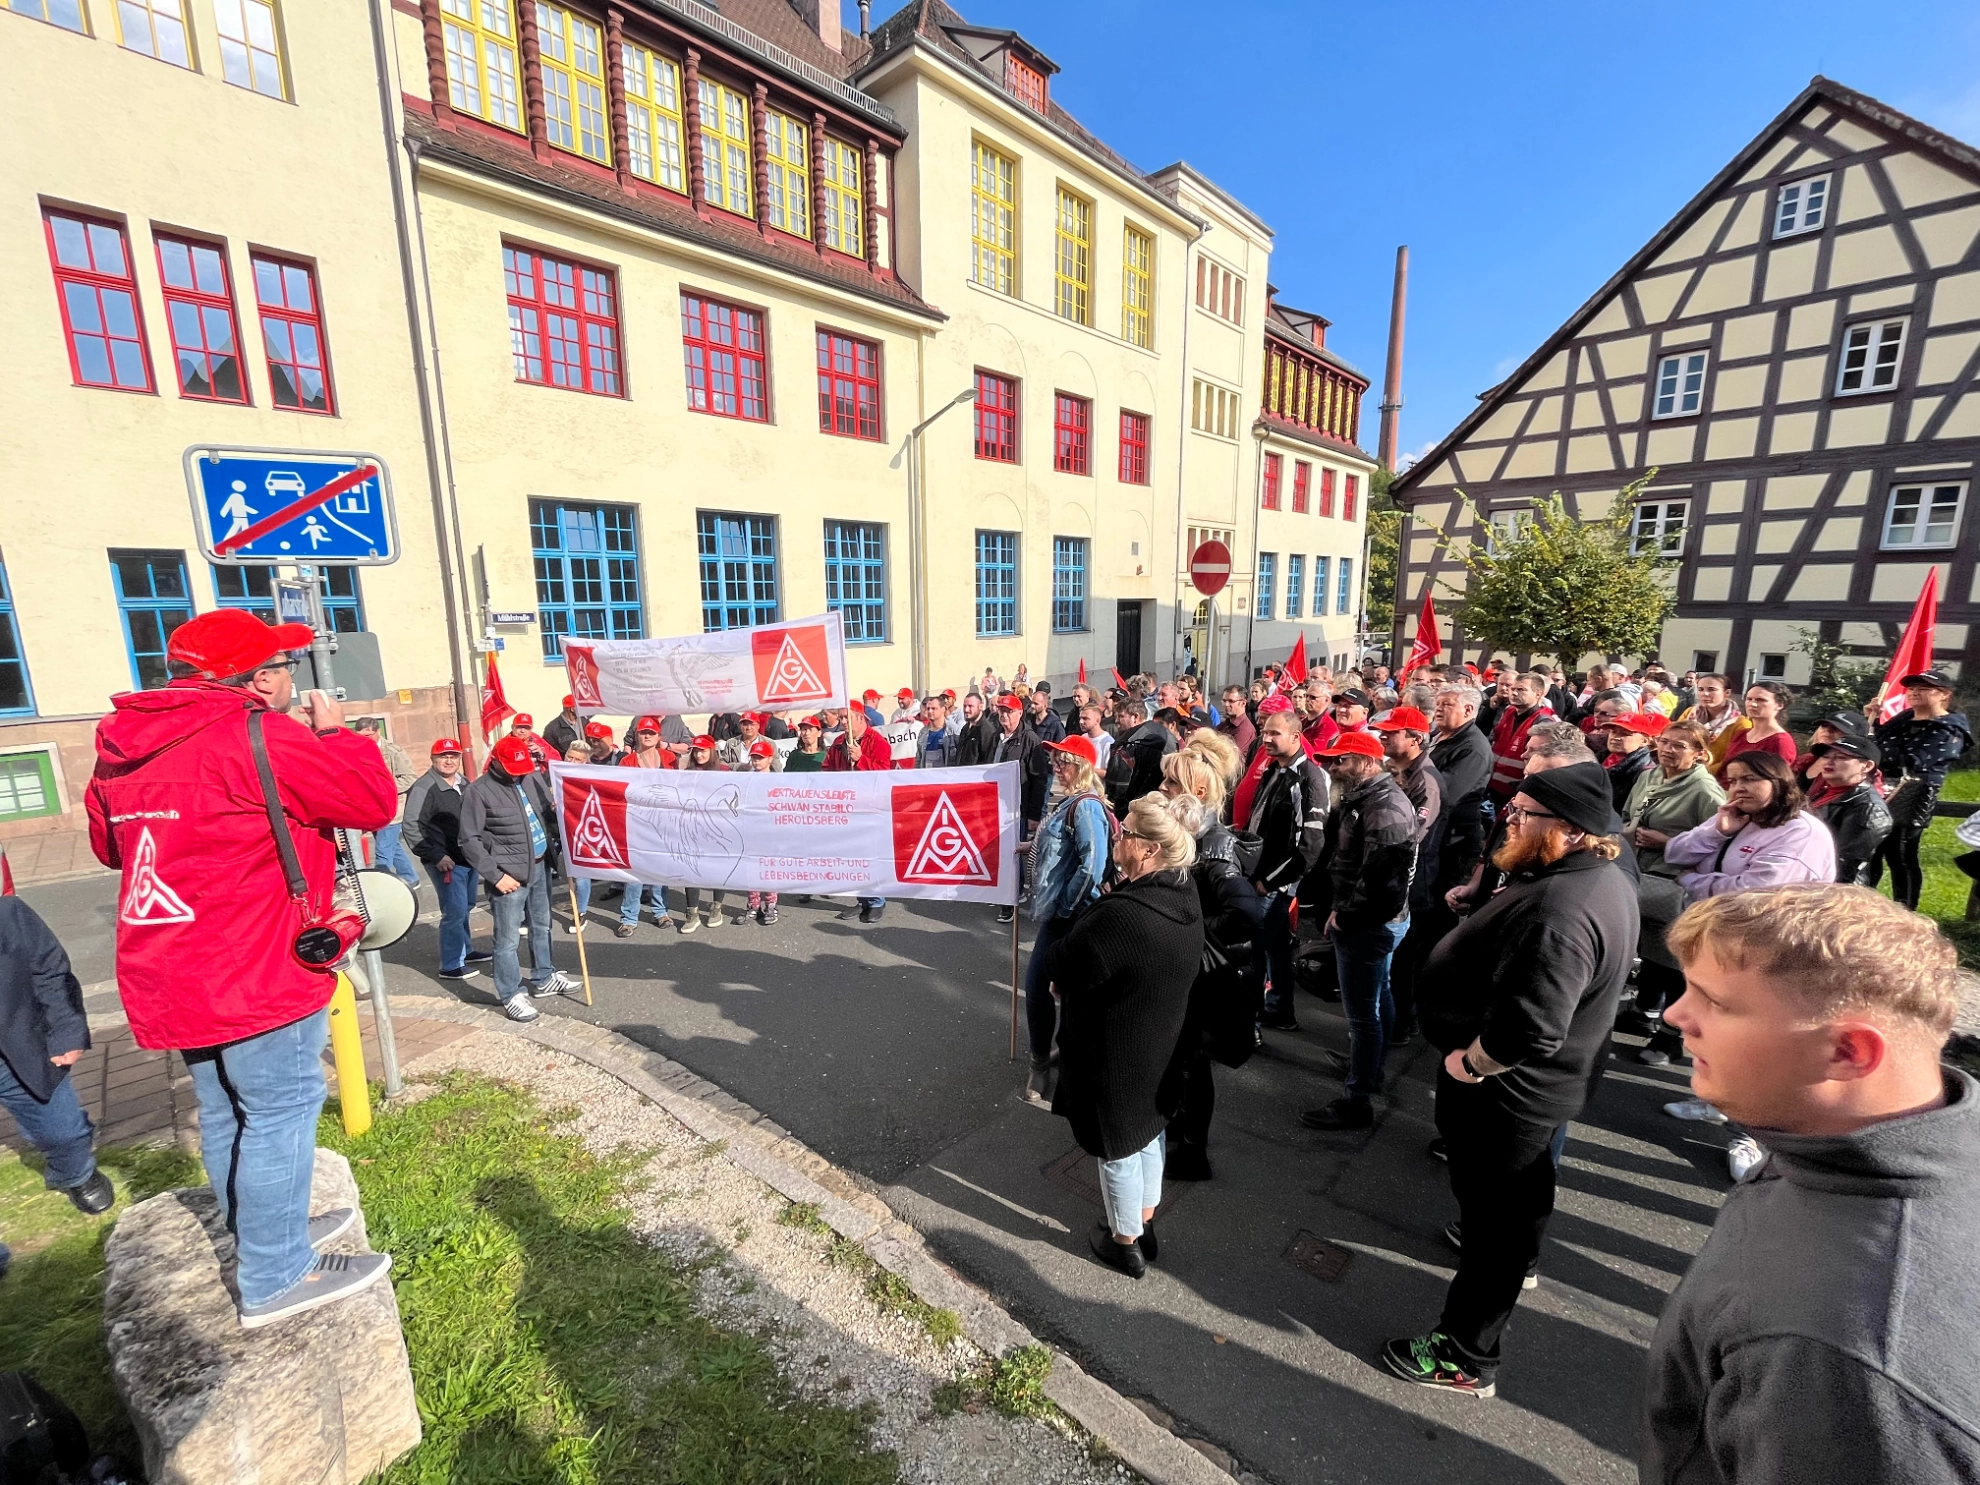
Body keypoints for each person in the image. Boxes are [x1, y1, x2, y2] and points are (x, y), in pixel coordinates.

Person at [86, 607, 397, 1327]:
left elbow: (111, 848)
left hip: (171, 964)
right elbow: (373, 803)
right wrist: (336, 735)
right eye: (284, 666)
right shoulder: (262, 734)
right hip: (256, 963)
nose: (292, 677)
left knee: (227, 1108)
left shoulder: (122, 743)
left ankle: (259, 1232)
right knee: (280, 1109)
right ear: (258, 680)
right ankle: (276, 1273)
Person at [1642, 885, 1980, 1485]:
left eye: (1714, 1002)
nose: (1675, 1016)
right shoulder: (1827, 1140)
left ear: (1847, 1052)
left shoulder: (1846, 1367)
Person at [1386, 762, 1637, 1396]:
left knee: (1497, 1230)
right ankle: (1513, 1258)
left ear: (1572, 830)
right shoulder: (1587, 876)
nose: (1511, 822)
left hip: (1506, 1096)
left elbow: (1531, 1029)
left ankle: (1465, 1355)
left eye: (1526, 815)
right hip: (1528, 1095)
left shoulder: (1561, 911)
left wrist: (1470, 1063)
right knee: (1512, 1213)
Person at [1047, 794, 1205, 1279]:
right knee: (1149, 1132)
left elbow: (1063, 961)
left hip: (1114, 1050)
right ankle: (1144, 1221)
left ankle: (1124, 1243)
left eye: (1128, 831)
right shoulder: (1184, 893)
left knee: (1115, 1146)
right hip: (1159, 1042)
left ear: (1151, 849)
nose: (1118, 835)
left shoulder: (1123, 915)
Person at [1648, 751, 1836, 1080]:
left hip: (1768, 944)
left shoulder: (1800, 832)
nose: (1738, 788)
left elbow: (1754, 893)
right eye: (1733, 780)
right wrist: (1717, 832)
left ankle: (1736, 1100)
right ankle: (1715, 1088)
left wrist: (1693, 880)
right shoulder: (1736, 815)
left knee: (1747, 1024)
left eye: (1749, 779)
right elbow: (1675, 852)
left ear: (1779, 782)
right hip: (1720, 933)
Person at [1298, 732, 1418, 1129]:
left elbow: (1383, 885)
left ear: (1366, 763)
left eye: (1341, 760)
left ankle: (1358, 1099)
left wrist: (1346, 917)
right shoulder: (1366, 798)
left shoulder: (1384, 807)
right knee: (1378, 999)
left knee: (1363, 1015)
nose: (1333, 767)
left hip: (1369, 927)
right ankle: (1369, 1070)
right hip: (1368, 922)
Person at [1159, 749, 1264, 1181]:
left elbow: (1245, 913)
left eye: (1171, 782)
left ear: (1198, 792)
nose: (1163, 788)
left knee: (1193, 1061)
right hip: (1194, 968)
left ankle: (1193, 1151)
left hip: (1207, 974)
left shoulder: (1215, 847)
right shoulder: (1191, 835)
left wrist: (1194, 931)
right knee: (1182, 1057)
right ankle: (1180, 1127)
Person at [0, 895, 115, 1279]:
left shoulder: (8, 914)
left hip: (16, 1053)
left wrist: (66, 1030)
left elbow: (49, 969)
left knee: (65, 1133)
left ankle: (75, 1175)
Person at [1619, 721, 1726, 1061]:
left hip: (1676, 884)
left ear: (1700, 754)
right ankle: (1644, 1013)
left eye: (1679, 745)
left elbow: (1719, 844)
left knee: (1676, 961)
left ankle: (1671, 1037)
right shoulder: (1649, 776)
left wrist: (1668, 843)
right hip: (1642, 873)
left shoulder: (1705, 791)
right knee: (1650, 950)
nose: (1668, 749)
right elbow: (1628, 813)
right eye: (1664, 742)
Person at [1019, 737, 1115, 1105]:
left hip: (1076, 916)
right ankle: (1045, 1059)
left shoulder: (1086, 805)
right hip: (1064, 914)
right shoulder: (1070, 801)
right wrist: (1031, 847)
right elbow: (1065, 851)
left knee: (1051, 989)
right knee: (1045, 988)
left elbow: (1091, 868)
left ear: (1084, 767)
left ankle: (1049, 1062)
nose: (1057, 768)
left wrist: (1064, 908)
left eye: (1064, 762)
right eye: (1055, 761)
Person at [459, 735, 577, 1018]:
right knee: (507, 940)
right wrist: (495, 875)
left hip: (540, 865)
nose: (518, 774)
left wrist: (557, 814)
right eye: (513, 769)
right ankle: (511, 993)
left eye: (522, 768)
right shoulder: (478, 791)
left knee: (542, 925)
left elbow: (546, 817)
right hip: (508, 875)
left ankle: (544, 976)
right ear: (497, 762)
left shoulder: (531, 777)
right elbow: (469, 840)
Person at [1245, 710, 1330, 1033]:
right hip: (1261, 876)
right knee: (1277, 948)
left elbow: (1310, 843)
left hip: (1273, 884)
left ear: (1296, 737)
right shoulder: (1274, 768)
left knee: (1254, 952)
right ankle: (1279, 1010)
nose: (1266, 739)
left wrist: (1272, 881)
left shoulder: (1309, 778)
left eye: (1275, 734)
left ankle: (1249, 1024)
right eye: (1265, 732)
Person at [1872, 668, 1972, 911]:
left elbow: (1914, 761)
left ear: (1944, 694)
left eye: (1924, 688)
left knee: (1900, 854)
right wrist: (1873, 720)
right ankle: (1862, 905)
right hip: (1880, 788)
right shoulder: (1905, 717)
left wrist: (1879, 752)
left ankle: (1906, 910)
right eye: (1912, 688)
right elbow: (1874, 744)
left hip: (1912, 795)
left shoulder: (1949, 729)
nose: (1915, 692)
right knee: (1871, 849)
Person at [405, 738, 490, 979]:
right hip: (446, 862)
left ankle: (465, 950)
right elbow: (411, 826)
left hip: (468, 858)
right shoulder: (424, 787)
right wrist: (436, 855)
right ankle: (451, 965)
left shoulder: (464, 783)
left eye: (453, 756)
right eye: (443, 756)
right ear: (433, 759)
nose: (449, 760)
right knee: (454, 911)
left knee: (466, 907)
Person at [827, 702, 894, 923]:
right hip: (846, 807)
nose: (842, 722)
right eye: (840, 718)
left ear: (860, 718)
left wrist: (860, 759)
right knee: (853, 856)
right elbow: (827, 769)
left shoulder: (879, 742)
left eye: (846, 718)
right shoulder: (838, 742)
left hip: (870, 808)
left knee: (870, 855)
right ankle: (863, 899)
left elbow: (883, 775)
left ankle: (876, 900)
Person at [1807, 735, 1893, 885]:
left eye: (1841, 757)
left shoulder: (1869, 808)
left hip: (1834, 890)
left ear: (1867, 766)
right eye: (1826, 756)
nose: (1829, 762)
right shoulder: (1825, 792)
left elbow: (1845, 864)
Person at [352, 716, 421, 888]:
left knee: (383, 852)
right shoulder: (356, 751)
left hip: (392, 810)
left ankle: (381, 887)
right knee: (392, 846)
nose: (364, 739)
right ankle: (410, 878)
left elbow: (410, 777)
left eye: (368, 735)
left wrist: (384, 789)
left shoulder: (393, 752)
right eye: (360, 736)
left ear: (378, 732)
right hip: (372, 810)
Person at [1487, 672, 1555, 804]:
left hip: (1517, 793)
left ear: (1538, 694)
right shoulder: (1509, 712)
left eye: (1521, 689)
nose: (1514, 693)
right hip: (1494, 787)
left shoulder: (1544, 721)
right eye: (1513, 688)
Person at [1105, 697, 1177, 820]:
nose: (1116, 721)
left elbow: (1117, 783)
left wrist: (1114, 807)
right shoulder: (1167, 735)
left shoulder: (1129, 742)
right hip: (1162, 806)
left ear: (1135, 717)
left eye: (1121, 716)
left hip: (1132, 810)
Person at [735, 739, 782, 924]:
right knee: (751, 869)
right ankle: (753, 906)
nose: (756, 761)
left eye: (760, 757)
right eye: (754, 757)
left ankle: (771, 905)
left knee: (769, 869)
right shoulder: (746, 779)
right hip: (751, 830)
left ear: (770, 759)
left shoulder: (778, 780)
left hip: (771, 831)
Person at [1715, 682, 1797, 782]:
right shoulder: (1741, 734)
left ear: (1779, 705)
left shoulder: (1781, 741)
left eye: (1760, 700)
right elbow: (1724, 770)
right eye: (1749, 699)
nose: (1752, 704)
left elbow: (1778, 781)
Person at [1674, 673, 1744, 772]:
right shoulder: (1690, 713)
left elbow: (1734, 760)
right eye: (1700, 689)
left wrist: (1701, 774)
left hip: (1716, 776)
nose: (1705, 694)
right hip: (1680, 770)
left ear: (1727, 693)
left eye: (1712, 689)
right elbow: (1675, 739)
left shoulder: (1740, 723)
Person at [1602, 710, 1664, 810]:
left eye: (1625, 734)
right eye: (1613, 732)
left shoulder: (1646, 772)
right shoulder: (1600, 757)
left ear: (1644, 741)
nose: (1616, 738)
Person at [955, 692, 1000, 766]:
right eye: (964, 706)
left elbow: (988, 761)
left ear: (980, 706)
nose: (966, 710)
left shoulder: (987, 731)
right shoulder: (965, 728)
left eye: (970, 706)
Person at [915, 696, 956, 768]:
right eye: (928, 708)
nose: (930, 711)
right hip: (927, 773)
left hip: (947, 773)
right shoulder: (923, 732)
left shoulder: (953, 731)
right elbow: (918, 760)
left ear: (943, 709)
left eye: (933, 708)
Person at [1217, 685, 1255, 758]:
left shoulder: (1244, 730)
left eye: (1231, 701)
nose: (1226, 704)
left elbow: (1228, 757)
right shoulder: (1225, 724)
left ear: (1243, 703)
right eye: (1224, 701)